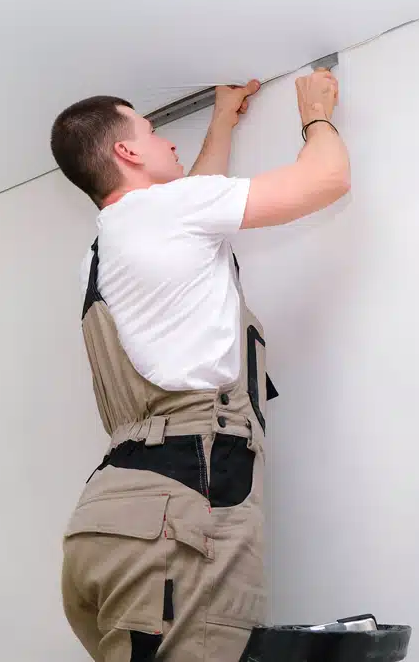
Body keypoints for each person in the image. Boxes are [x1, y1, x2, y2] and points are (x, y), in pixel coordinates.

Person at [51, 67, 350, 662]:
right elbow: (327, 179)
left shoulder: (114, 241)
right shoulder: (166, 213)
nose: (168, 142)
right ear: (126, 150)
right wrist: (317, 114)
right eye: (153, 129)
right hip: (181, 508)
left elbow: (195, 201)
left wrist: (222, 119)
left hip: (108, 525)